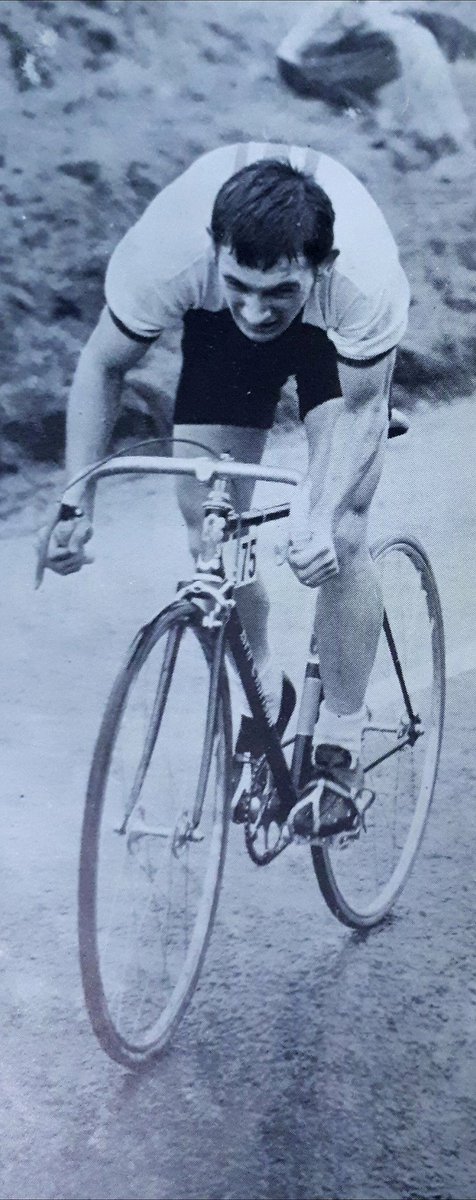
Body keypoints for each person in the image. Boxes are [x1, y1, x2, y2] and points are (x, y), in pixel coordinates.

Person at [41, 142, 410, 840]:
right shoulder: (169, 254)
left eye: (277, 292)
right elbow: (101, 365)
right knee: (208, 519)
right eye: (240, 283)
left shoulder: (358, 274)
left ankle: (339, 745)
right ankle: (265, 696)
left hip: (332, 339)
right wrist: (74, 499)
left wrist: (321, 510)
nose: (258, 309)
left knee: (340, 533)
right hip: (216, 337)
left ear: (319, 266)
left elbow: (365, 410)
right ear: (215, 251)